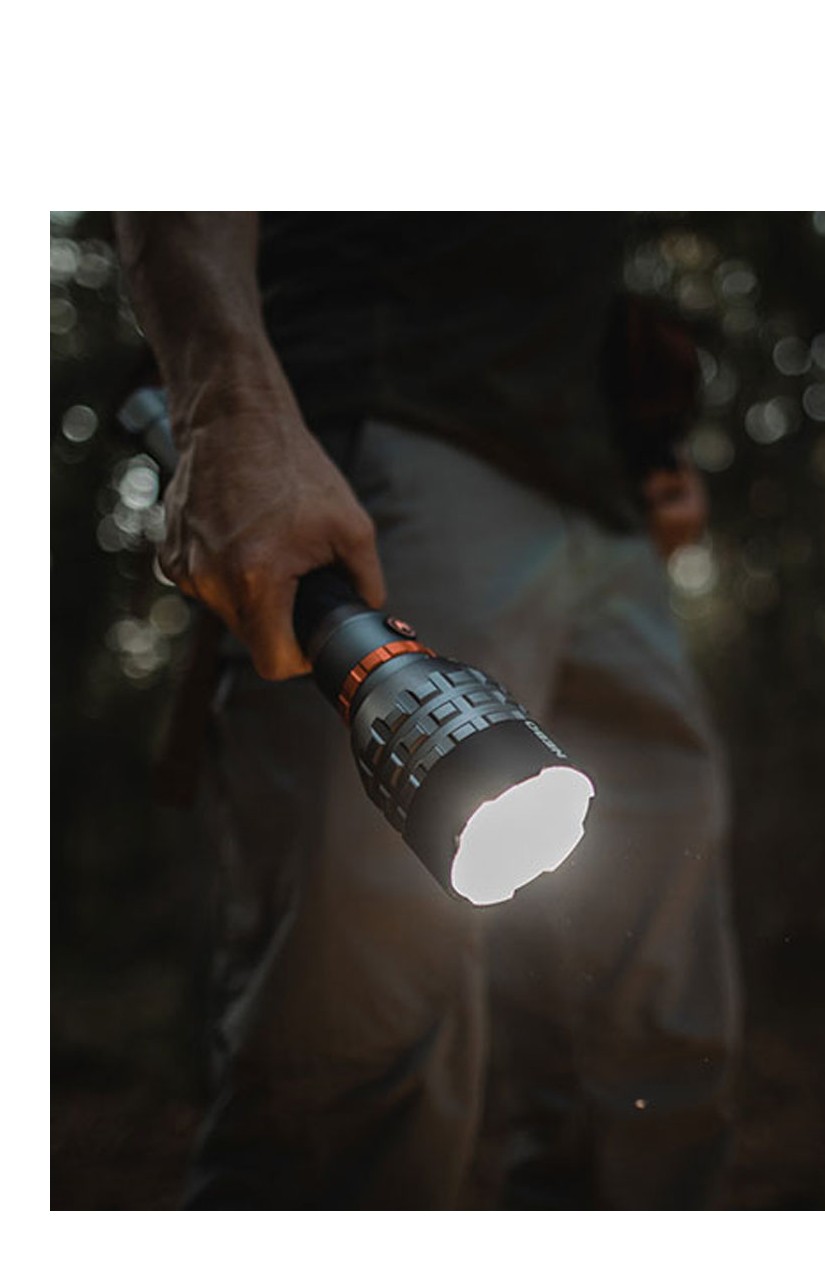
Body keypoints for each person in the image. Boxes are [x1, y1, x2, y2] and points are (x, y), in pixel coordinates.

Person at [114, 212, 742, 1209]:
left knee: (654, 1032)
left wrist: (645, 434)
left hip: (604, 498)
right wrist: (225, 407)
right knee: (353, 1048)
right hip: (388, 432)